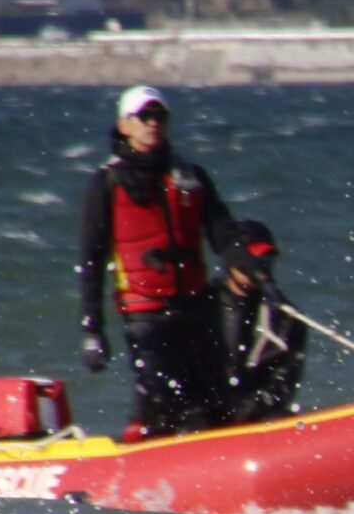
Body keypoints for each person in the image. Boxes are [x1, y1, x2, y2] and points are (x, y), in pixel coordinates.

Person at [75, 85, 237, 440]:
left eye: (160, 116)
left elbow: (222, 232)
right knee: (166, 403)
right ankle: (146, 451)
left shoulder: (192, 177)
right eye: (144, 116)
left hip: (195, 307)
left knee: (217, 403)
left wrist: (251, 265)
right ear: (124, 125)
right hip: (146, 316)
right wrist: (92, 330)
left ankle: (223, 456)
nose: (153, 123)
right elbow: (91, 261)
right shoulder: (107, 183)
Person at [214, 219, 306, 423]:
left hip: (258, 419)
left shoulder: (287, 318)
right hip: (207, 418)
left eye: (267, 261)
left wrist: (246, 412)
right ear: (234, 260)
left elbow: (283, 383)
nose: (262, 268)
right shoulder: (203, 306)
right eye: (256, 261)